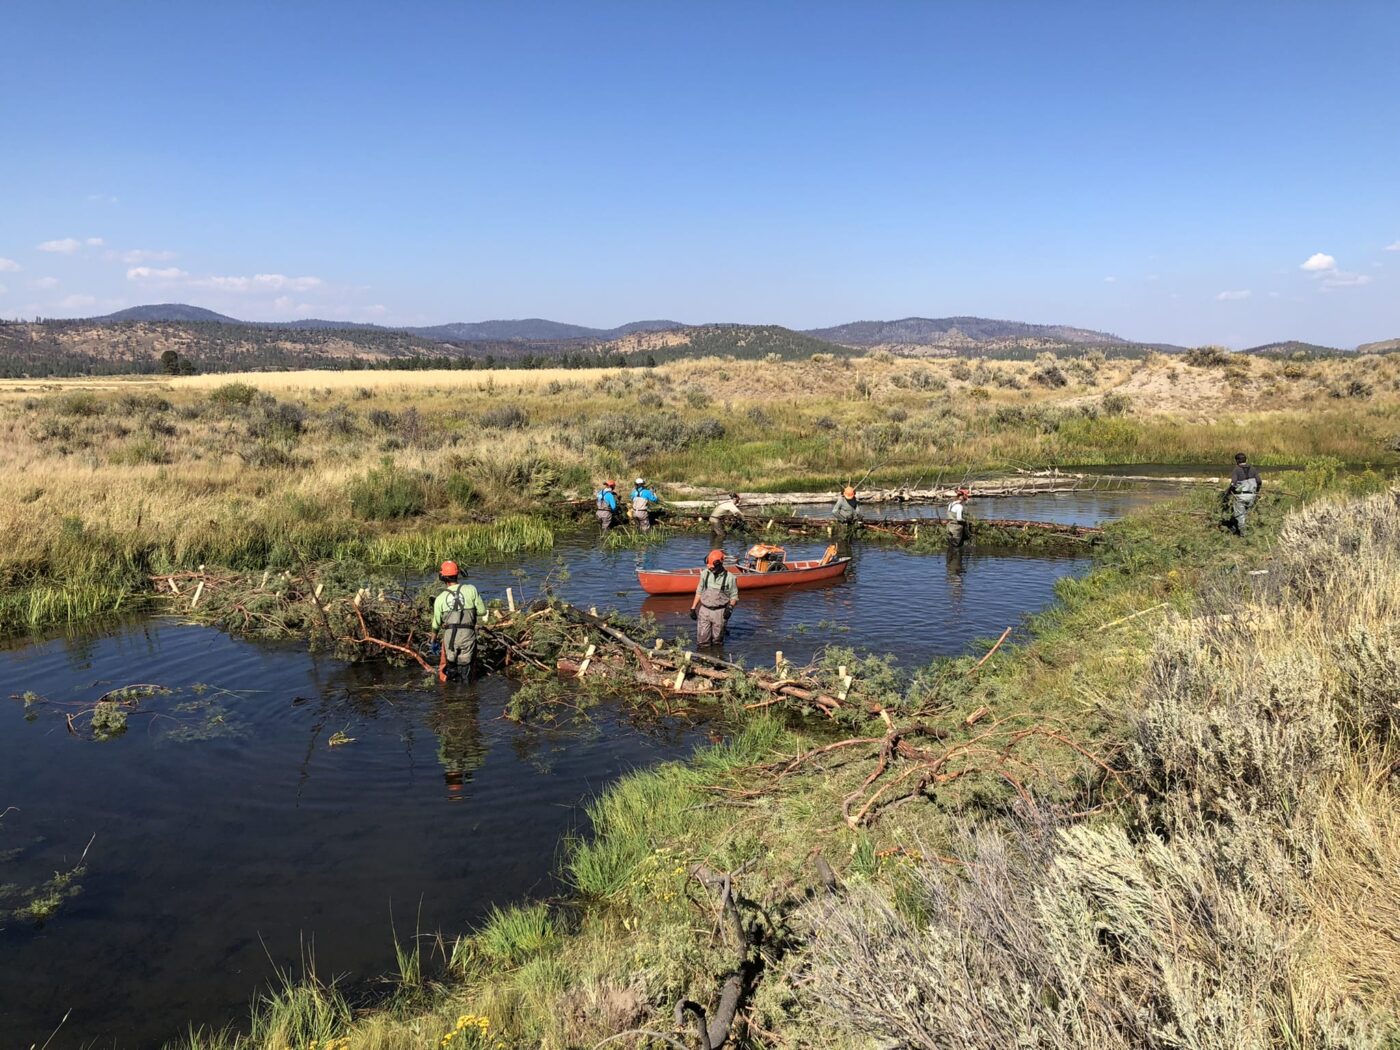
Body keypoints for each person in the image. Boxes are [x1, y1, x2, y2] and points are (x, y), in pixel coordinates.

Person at [431, 560, 487, 681]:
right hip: (468, 635)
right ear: (458, 574)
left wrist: (433, 640)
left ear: (442, 577)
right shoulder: (471, 589)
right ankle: (467, 695)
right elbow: (482, 611)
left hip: (450, 638)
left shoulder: (440, 598)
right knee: (466, 670)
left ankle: (452, 695)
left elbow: (436, 624)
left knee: (451, 670)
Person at [689, 549, 738, 646]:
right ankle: (702, 658)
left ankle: (716, 657)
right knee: (702, 640)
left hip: (719, 613)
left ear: (719, 564)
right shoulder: (705, 574)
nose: (710, 570)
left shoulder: (730, 578)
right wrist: (693, 608)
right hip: (704, 610)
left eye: (712, 568)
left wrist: (730, 608)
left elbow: (734, 597)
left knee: (717, 641)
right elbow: (699, 592)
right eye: (709, 567)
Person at [1225, 453, 1263, 536]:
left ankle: (1243, 534)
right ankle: (1247, 530)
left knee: (1240, 515)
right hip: (1252, 495)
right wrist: (1257, 491)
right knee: (1246, 513)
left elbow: (1233, 483)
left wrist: (1228, 492)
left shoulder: (1236, 469)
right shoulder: (1253, 469)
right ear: (1246, 460)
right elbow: (1259, 481)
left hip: (1241, 496)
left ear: (1237, 461)